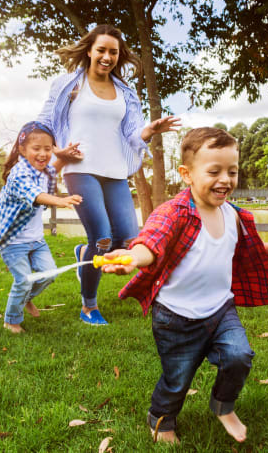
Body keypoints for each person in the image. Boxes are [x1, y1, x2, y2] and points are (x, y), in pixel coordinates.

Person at [102, 127, 268, 444]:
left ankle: (223, 406)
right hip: (175, 318)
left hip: (220, 310)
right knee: (177, 379)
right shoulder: (174, 212)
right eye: (214, 171)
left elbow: (245, 248)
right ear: (187, 174)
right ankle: (161, 419)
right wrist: (133, 257)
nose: (225, 179)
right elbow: (151, 242)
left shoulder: (235, 216)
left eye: (232, 171)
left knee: (239, 356)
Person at [36, 24, 181, 325]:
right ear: (89, 50)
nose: (107, 56)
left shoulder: (126, 92)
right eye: (101, 50)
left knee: (129, 240)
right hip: (80, 168)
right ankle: (89, 305)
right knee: (102, 238)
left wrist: (150, 130)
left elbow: (132, 133)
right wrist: (55, 153)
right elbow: (45, 121)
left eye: (113, 52)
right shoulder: (69, 85)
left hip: (115, 169)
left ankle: (83, 254)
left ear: (119, 55)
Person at [0, 121, 82, 333]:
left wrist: (62, 157)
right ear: (22, 150)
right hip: (12, 240)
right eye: (36, 149)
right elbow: (35, 195)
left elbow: (52, 169)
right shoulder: (19, 173)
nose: (43, 154)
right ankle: (11, 321)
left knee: (49, 274)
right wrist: (59, 200)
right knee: (22, 280)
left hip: (36, 240)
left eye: (47, 149)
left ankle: (23, 297)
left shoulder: (42, 170)